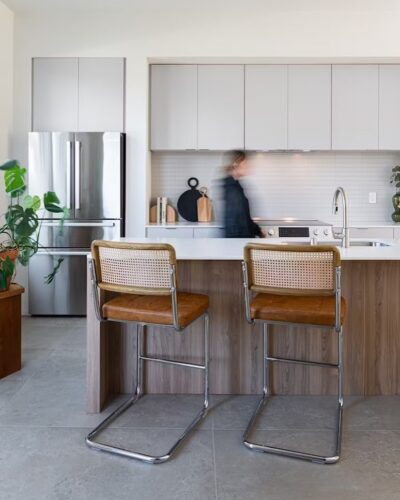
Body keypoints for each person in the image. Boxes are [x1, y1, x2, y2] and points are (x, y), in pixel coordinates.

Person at [222, 151, 265, 238]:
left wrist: (258, 231)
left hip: (239, 241)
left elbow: (245, 217)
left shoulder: (236, 185)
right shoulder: (232, 189)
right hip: (238, 242)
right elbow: (238, 224)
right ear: (236, 164)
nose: (248, 166)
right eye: (245, 163)